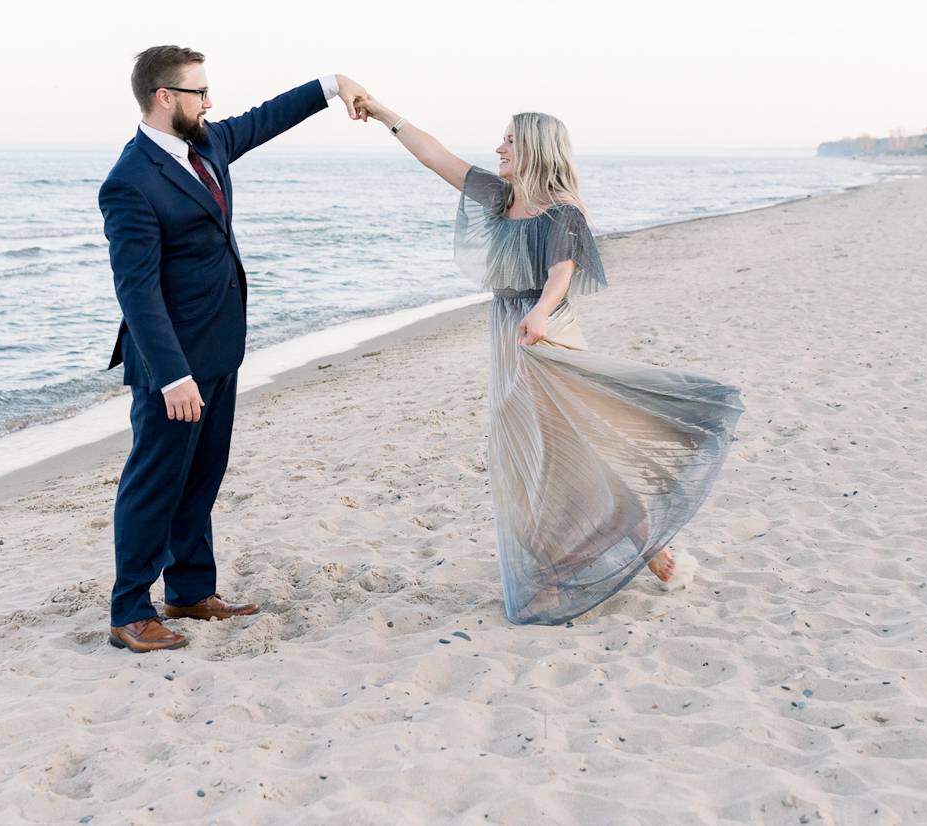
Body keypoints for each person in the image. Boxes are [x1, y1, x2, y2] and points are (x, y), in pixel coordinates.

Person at [354, 99, 745, 625]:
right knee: (556, 456)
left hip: (546, 335)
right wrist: (382, 114)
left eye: (509, 140)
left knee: (557, 459)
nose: (499, 148)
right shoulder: (499, 197)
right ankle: (652, 553)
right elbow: (435, 156)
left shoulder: (564, 211)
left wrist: (538, 313)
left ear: (535, 147)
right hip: (509, 331)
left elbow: (561, 272)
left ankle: (549, 581)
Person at [99, 45, 366, 652]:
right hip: (172, 365)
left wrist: (332, 83)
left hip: (222, 345)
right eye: (200, 92)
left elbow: (267, 117)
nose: (212, 102)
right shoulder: (130, 182)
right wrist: (171, 376)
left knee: (202, 474)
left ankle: (190, 591)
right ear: (165, 98)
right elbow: (136, 292)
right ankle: (129, 612)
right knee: (154, 481)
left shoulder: (209, 144)